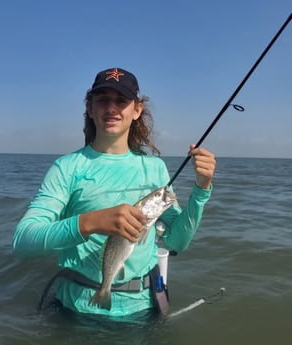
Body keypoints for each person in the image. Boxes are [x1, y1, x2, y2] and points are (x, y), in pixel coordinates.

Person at [13, 67, 216, 317]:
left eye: (121, 100)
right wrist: (89, 222)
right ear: (90, 108)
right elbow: (23, 241)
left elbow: (177, 241)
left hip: (142, 310)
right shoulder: (67, 167)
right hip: (76, 310)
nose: (112, 107)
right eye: (103, 100)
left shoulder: (154, 168)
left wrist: (201, 189)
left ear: (137, 110)